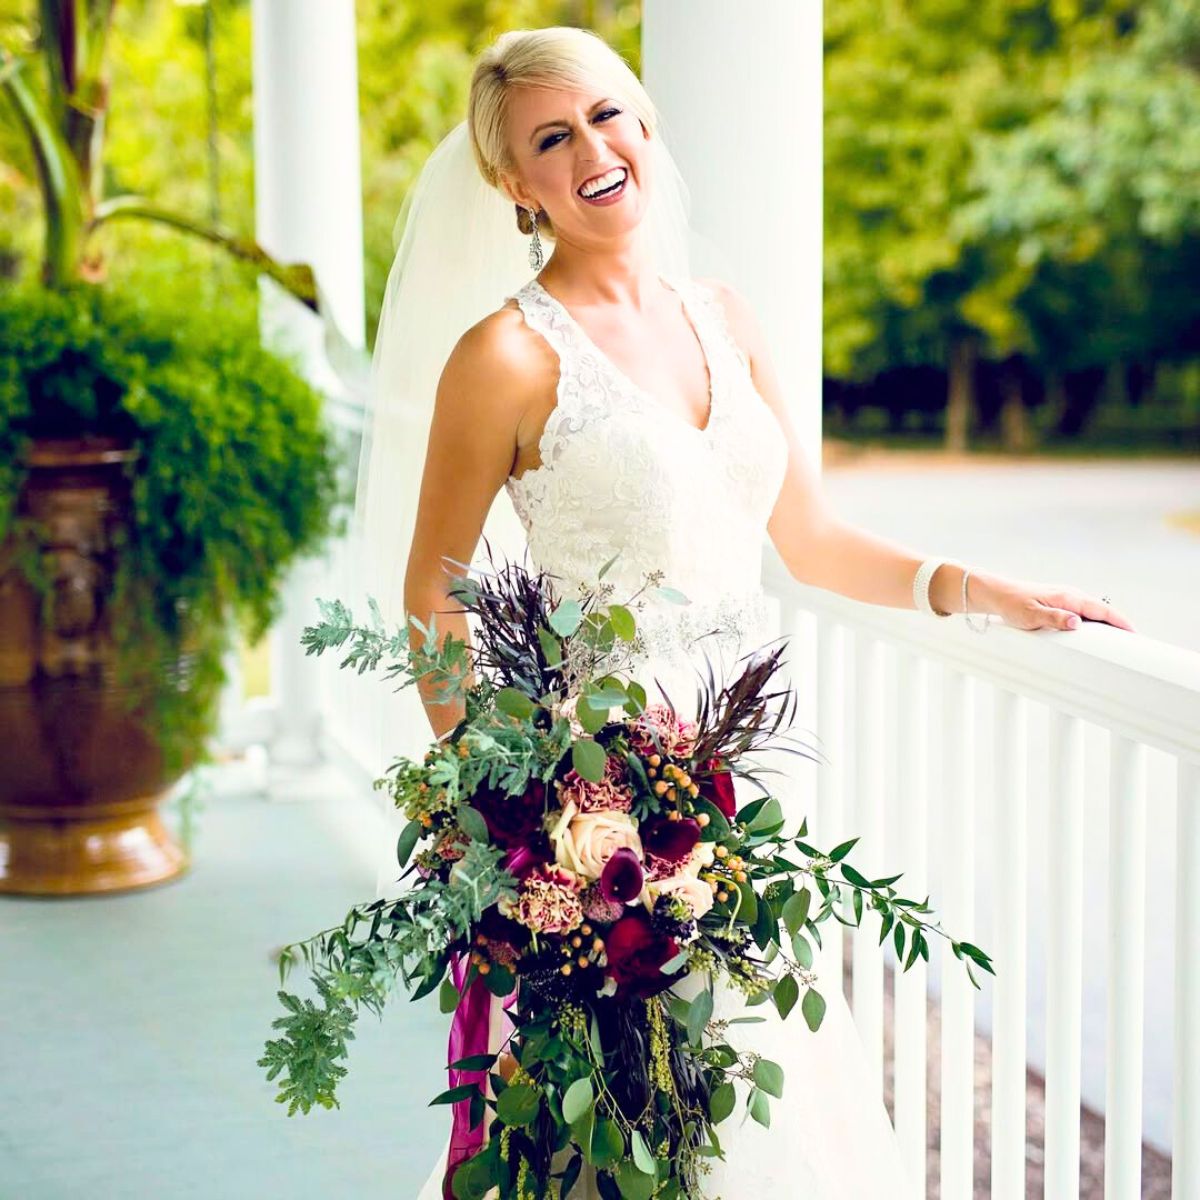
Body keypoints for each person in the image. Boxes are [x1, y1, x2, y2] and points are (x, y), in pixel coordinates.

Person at [355, 25, 1136, 1200]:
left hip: (752, 772)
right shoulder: (505, 357)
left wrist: (979, 590)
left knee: (758, 1071)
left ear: (646, 121)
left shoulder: (723, 313)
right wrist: (503, 808)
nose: (593, 150)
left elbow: (807, 539)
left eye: (607, 114)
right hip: (598, 795)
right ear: (516, 185)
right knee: (616, 1098)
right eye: (552, 139)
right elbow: (434, 589)